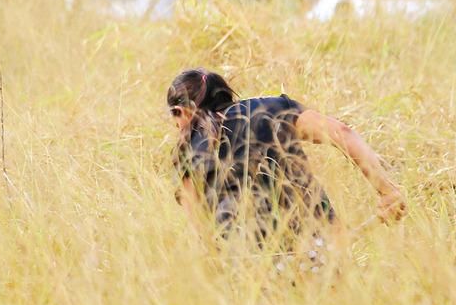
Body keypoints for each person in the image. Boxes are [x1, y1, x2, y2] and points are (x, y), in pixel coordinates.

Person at [167, 68, 405, 258]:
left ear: (180, 111)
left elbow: (202, 232)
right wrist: (387, 191)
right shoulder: (273, 108)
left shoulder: (185, 152)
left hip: (248, 264)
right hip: (321, 247)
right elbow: (342, 132)